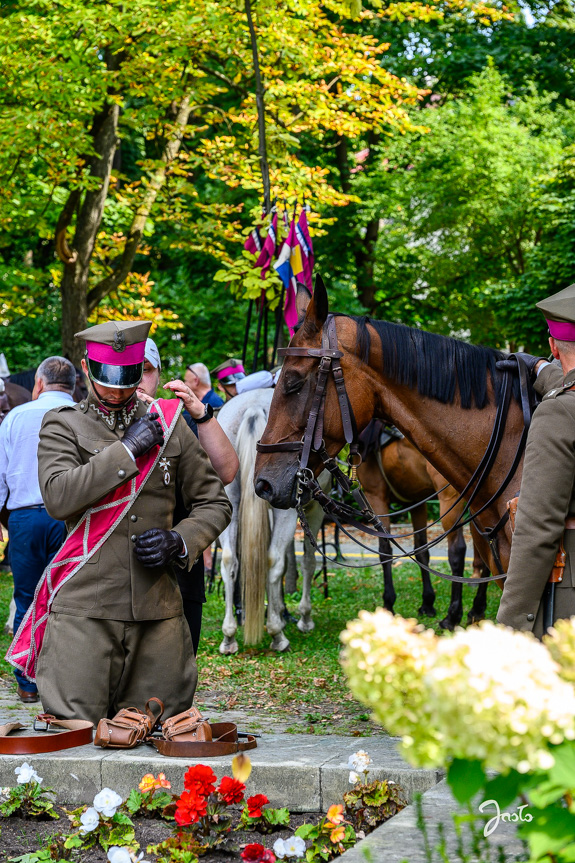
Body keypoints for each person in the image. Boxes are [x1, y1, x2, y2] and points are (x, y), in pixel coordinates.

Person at [9, 320, 232, 725]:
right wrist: (127, 449)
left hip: (158, 614)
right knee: (75, 736)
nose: (117, 390)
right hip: (84, 614)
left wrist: (180, 540)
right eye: (107, 379)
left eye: (127, 379)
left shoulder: (169, 423)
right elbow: (59, 498)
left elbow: (214, 501)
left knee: (160, 734)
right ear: (85, 369)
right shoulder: (62, 424)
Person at [137, 338, 238, 652]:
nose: (136, 379)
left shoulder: (179, 422)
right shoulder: (84, 423)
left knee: (174, 687)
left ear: (159, 375)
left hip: (176, 577)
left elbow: (225, 473)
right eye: (126, 369)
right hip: (108, 585)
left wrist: (200, 413)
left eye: (146, 370)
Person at [497, 283, 575, 637]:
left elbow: (537, 529)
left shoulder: (558, 414)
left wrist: (510, 627)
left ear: (553, 344)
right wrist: (545, 371)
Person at [0, 357, 76, 703]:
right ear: (73, 386)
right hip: (71, 518)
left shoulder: (15, 417)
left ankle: (27, 682)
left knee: (26, 597)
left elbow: (1, 475)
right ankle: (65, 681)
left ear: (39, 384)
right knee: (70, 600)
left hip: (25, 519)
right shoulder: (83, 414)